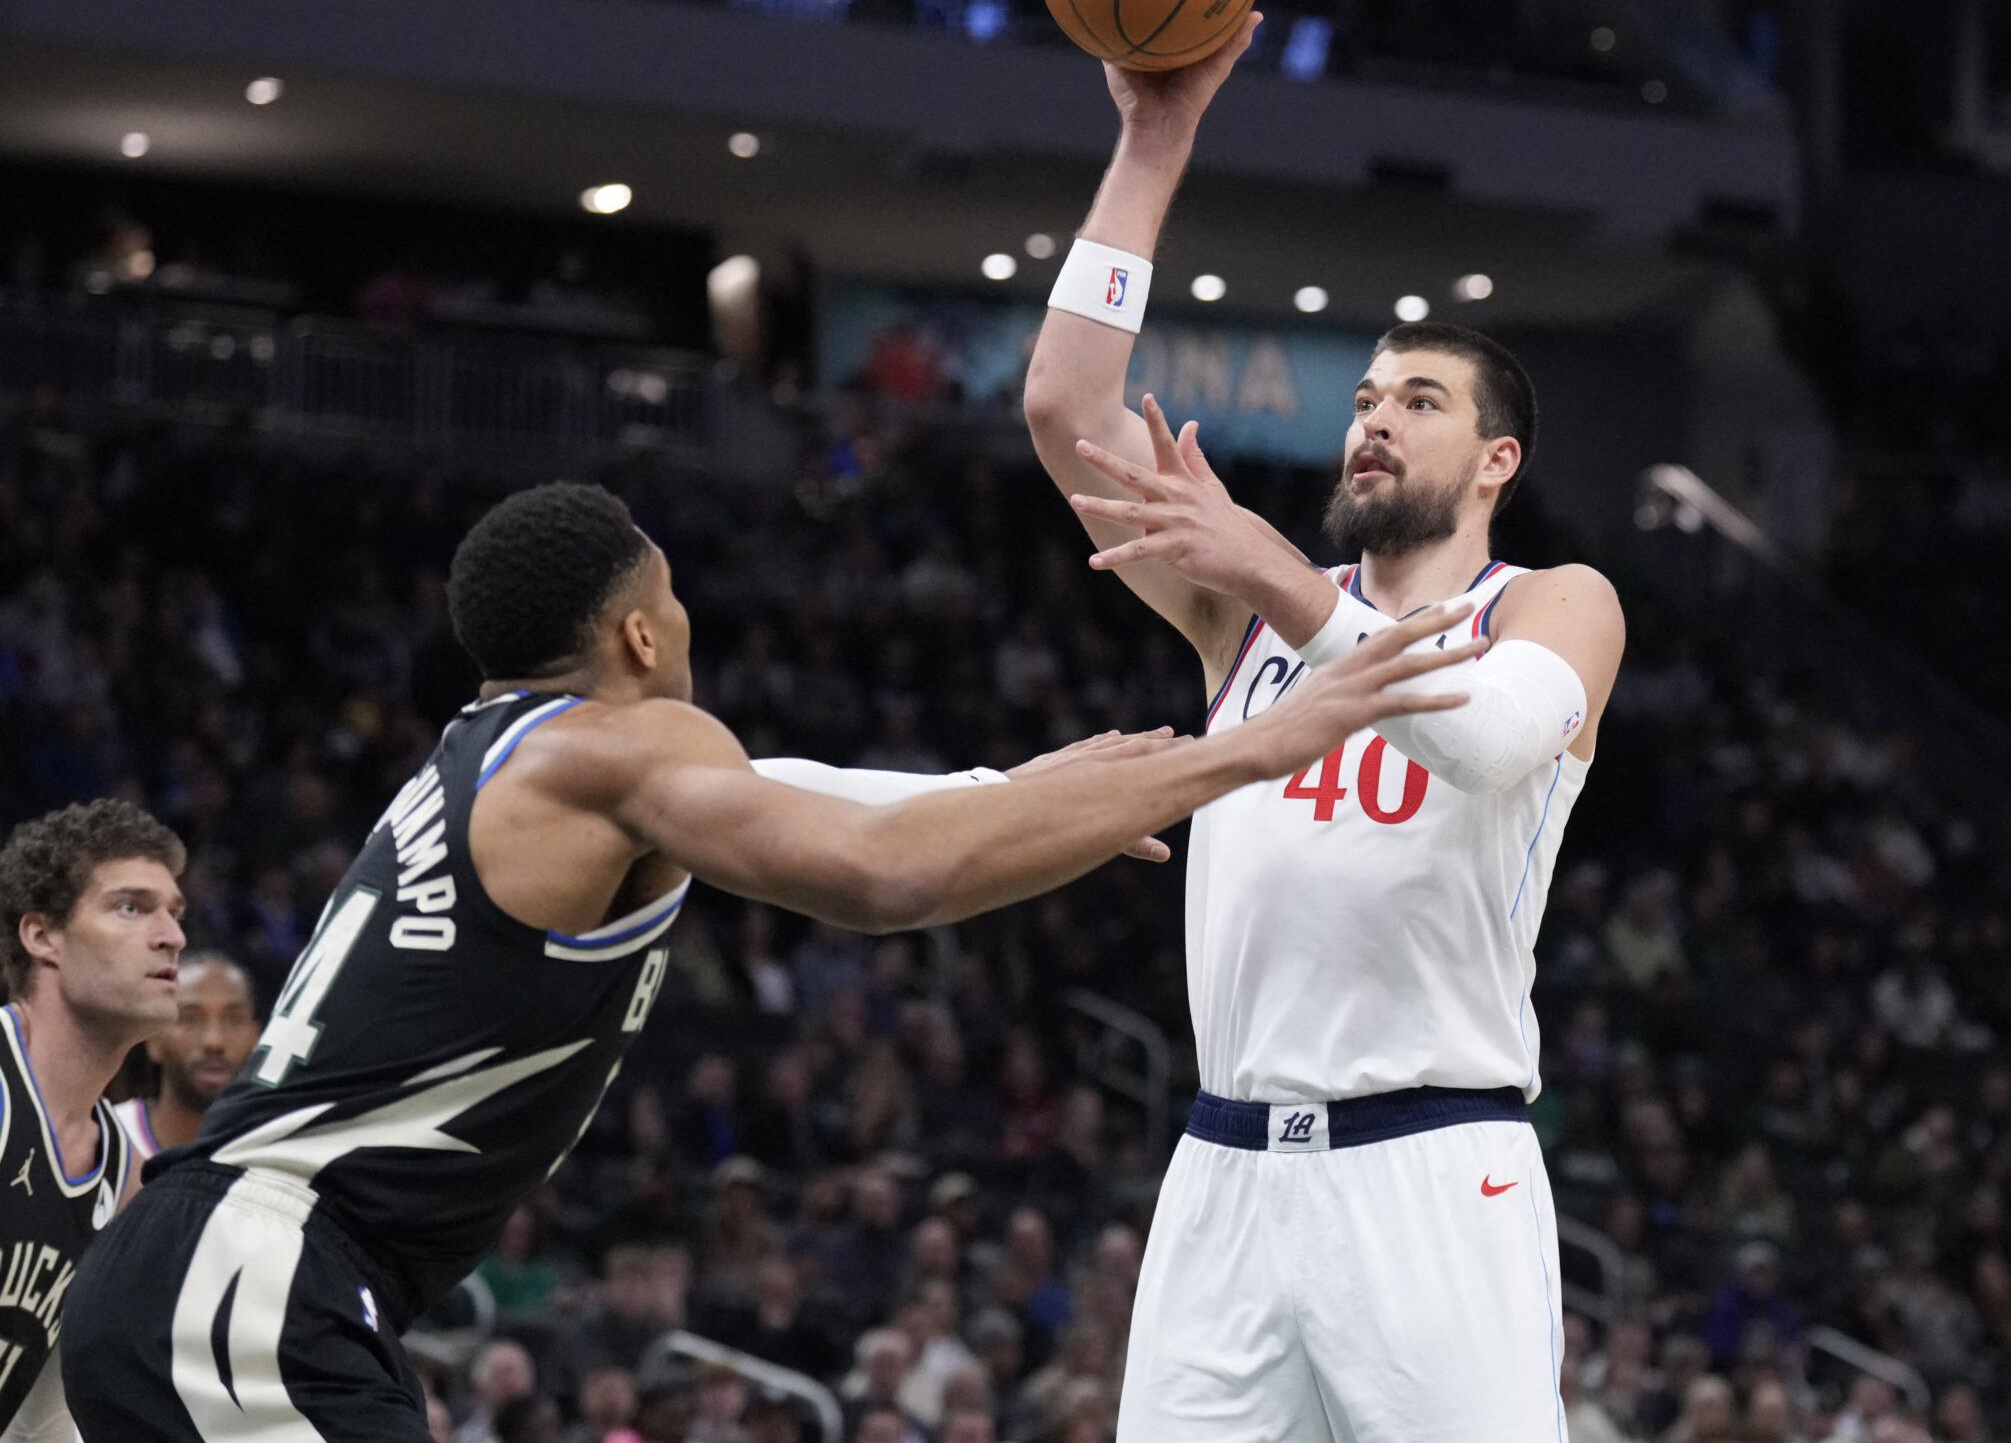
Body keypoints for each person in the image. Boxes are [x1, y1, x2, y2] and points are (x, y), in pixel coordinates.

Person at [59, 480, 1478, 1440]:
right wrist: (1256, 748)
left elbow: (818, 790)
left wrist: (1019, 781)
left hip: (215, 1274)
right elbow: (885, 870)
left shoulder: (494, 758)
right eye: (672, 601)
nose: (687, 627)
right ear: (634, 629)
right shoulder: (630, 741)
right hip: (253, 1278)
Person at [1022, 15, 1626, 1442]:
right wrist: (1152, 141)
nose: (1374, 420)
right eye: (1363, 398)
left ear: (1497, 461)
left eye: (1417, 401)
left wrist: (1274, 579)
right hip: (1227, 1166)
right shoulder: (1249, 615)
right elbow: (1062, 407)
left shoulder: (1552, 602)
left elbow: (1481, 743)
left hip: (1434, 1164)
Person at [0, 799, 187, 1440]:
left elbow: (43, 1415)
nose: (171, 936)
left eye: (174, 912)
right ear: (42, 935)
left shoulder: (119, 1171)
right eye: (131, 907)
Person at [110, 950, 261, 1160]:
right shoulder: (107, 1137)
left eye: (233, 1020)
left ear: (256, 1038)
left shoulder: (277, 1148)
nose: (214, 1041)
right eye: (191, 1019)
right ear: (154, 1039)